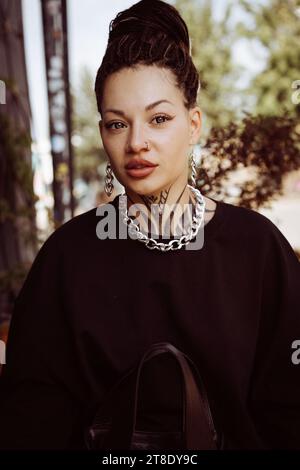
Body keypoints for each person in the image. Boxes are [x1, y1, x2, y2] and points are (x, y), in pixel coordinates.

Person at [0, 0, 300, 450]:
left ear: (193, 124)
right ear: (102, 133)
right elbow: (30, 421)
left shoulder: (256, 250)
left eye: (159, 119)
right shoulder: (65, 261)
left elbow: (288, 412)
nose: (137, 142)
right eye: (117, 124)